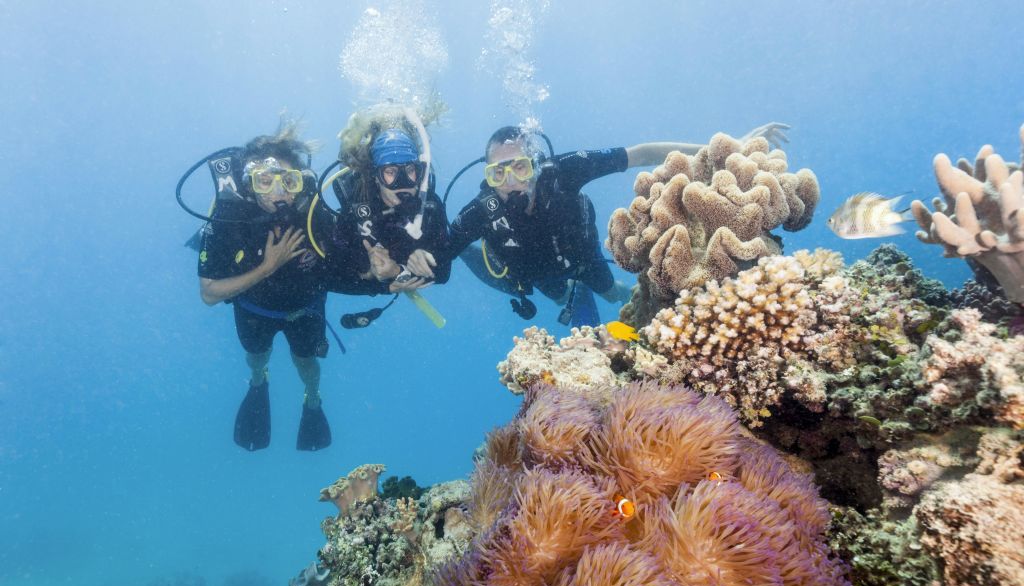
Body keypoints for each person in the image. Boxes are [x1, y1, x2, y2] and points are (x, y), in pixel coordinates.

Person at [448, 122, 791, 327]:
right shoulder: (481, 210)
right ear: (488, 176)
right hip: (530, 274)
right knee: (556, 294)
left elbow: (640, 154)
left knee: (611, 291)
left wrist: (728, 149)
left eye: (520, 168)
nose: (510, 181)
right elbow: (438, 250)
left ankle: (633, 309)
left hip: (581, 255)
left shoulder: (564, 171)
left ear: (536, 164)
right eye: (498, 173)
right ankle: (570, 297)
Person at [196, 123, 346, 452]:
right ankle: (258, 379)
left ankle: (312, 397)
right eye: (266, 181)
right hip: (252, 312)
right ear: (250, 185)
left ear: (301, 182)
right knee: (256, 355)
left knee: (306, 364)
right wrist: (268, 267)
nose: (279, 194)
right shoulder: (228, 219)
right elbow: (208, 293)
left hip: (305, 310)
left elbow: (348, 261)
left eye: (289, 182)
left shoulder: (314, 213)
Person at [320, 107, 452, 306]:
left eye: (410, 170)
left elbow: (443, 273)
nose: (403, 182)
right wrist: (374, 278)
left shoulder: (430, 207)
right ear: (375, 176)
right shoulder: (356, 209)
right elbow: (329, 278)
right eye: (390, 172)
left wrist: (398, 272)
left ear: (420, 170)